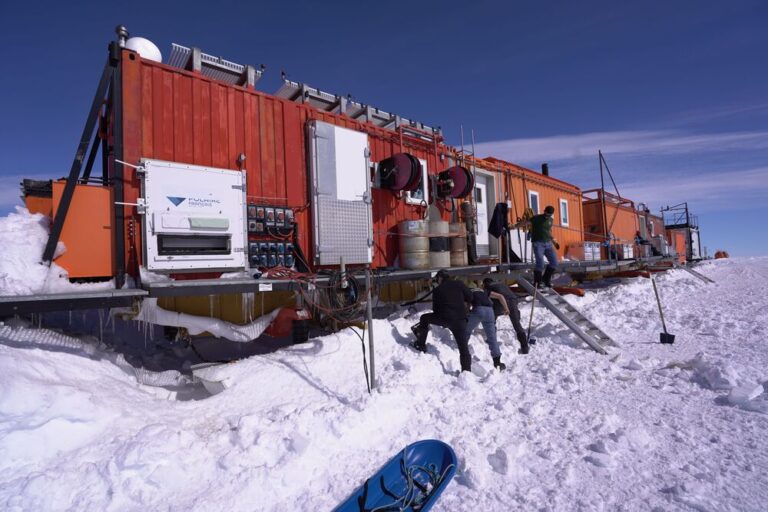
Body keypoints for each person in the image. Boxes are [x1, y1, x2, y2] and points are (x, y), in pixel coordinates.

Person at [410, 269, 473, 373]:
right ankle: (466, 371)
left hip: (445, 319)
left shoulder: (438, 290)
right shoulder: (459, 284)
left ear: (440, 278)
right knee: (463, 348)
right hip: (460, 320)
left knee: (424, 318)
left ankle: (420, 345)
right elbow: (470, 297)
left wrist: (442, 319)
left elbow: (435, 309)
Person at [483, 277, 530, 354]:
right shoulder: (502, 284)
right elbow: (511, 295)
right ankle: (524, 347)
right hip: (513, 301)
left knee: (492, 318)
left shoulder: (488, 287)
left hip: (501, 303)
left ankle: (491, 339)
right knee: (517, 324)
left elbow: (489, 300)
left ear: (485, 283)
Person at [466, 284, 506, 370]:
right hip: (490, 311)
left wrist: (467, 313)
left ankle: (462, 349)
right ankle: (497, 362)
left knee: (466, 330)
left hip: (478, 310)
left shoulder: (468, 291)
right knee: (492, 338)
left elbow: (468, 304)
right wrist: (506, 308)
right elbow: (500, 296)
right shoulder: (484, 291)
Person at [530, 205, 559, 288]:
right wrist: (514, 226)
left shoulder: (550, 220)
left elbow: (548, 231)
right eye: (546, 214)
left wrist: (553, 240)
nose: (547, 216)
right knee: (540, 263)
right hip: (538, 243)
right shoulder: (536, 218)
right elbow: (526, 222)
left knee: (554, 263)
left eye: (549, 215)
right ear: (544, 211)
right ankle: (537, 283)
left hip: (548, 243)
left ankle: (546, 279)